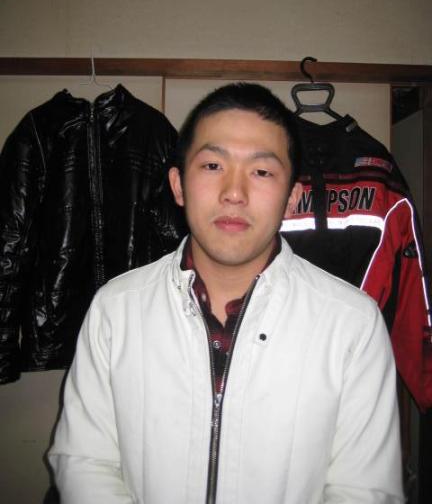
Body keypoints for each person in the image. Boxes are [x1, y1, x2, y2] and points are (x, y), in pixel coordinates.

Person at [49, 83, 403, 503]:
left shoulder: (353, 324)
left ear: (292, 198)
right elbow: (85, 462)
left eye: (262, 171)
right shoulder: (116, 309)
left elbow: (364, 491)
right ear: (178, 186)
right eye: (213, 165)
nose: (234, 192)